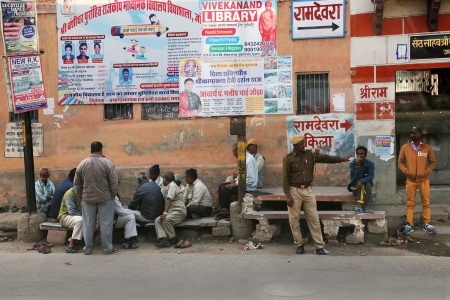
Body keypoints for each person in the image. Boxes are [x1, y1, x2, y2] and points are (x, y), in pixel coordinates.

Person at [283, 134, 352, 255]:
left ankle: (319, 246)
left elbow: (326, 158)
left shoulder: (310, 155)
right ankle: (299, 244)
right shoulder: (288, 159)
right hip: (295, 191)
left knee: (314, 218)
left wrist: (342, 159)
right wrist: (288, 195)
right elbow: (285, 179)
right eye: (301, 144)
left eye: (303, 143)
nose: (303, 145)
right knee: (294, 220)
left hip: (308, 191)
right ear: (294, 146)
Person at [74, 141, 119, 255]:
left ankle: (88, 248)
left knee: (88, 223)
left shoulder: (82, 163)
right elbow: (114, 182)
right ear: (101, 150)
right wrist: (113, 194)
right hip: (105, 198)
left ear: (90, 150)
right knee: (106, 223)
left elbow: (77, 183)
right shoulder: (107, 163)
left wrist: (80, 195)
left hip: (87, 198)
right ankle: (107, 249)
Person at [398, 126, 437, 234]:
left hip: (424, 180)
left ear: (420, 134)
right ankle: (409, 223)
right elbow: (400, 162)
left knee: (426, 202)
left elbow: (433, 162)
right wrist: (406, 171)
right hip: (410, 180)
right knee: (410, 203)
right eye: (412, 133)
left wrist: (426, 172)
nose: (413, 135)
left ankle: (427, 223)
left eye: (415, 133)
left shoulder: (427, 148)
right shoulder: (405, 148)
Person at [217, 143, 258, 220]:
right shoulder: (242, 159)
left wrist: (236, 183)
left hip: (249, 187)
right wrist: (234, 181)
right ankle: (226, 210)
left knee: (224, 189)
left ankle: (228, 212)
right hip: (243, 183)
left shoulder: (249, 160)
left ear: (239, 151)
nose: (233, 154)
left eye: (234, 152)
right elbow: (242, 176)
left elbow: (251, 180)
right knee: (221, 186)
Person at [154, 172, 187, 248]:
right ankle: (164, 239)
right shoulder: (168, 186)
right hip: (173, 211)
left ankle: (173, 238)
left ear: (166, 179)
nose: (163, 181)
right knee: (157, 220)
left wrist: (165, 213)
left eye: (164, 179)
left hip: (179, 211)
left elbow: (170, 201)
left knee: (165, 219)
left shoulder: (172, 185)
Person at [348, 146, 375, 214]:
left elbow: (371, 176)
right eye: (358, 154)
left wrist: (362, 181)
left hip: (366, 186)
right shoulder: (352, 164)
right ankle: (363, 206)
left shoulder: (370, 164)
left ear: (365, 155)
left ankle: (362, 206)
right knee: (358, 181)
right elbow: (354, 177)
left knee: (367, 183)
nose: (359, 155)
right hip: (355, 187)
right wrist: (357, 165)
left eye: (361, 154)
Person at [58, 187, 83, 254]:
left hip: (79, 217)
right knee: (80, 221)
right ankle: (71, 245)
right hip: (65, 217)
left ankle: (72, 238)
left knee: (96, 220)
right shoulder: (70, 193)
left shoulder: (83, 193)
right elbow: (72, 212)